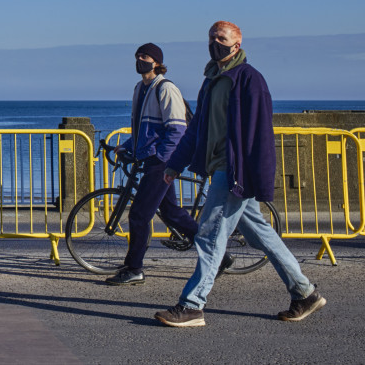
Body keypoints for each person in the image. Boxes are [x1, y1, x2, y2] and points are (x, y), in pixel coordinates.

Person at [154, 21, 326, 327]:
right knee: (262, 235)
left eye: (221, 38)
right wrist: (174, 165)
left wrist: (258, 178)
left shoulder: (248, 79)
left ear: (237, 43)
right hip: (219, 167)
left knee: (209, 235)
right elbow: (196, 130)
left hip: (232, 172)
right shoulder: (211, 81)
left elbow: (261, 133)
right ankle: (305, 293)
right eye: (211, 38)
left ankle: (192, 305)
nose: (215, 43)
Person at [104, 43, 198, 285]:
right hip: (150, 158)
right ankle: (220, 256)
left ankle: (134, 268)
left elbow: (177, 130)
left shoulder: (165, 89)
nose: (139, 60)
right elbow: (142, 129)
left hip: (161, 162)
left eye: (144, 56)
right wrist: (126, 145)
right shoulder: (140, 88)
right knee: (171, 213)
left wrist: (163, 159)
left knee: (139, 215)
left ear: (156, 62)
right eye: (137, 56)